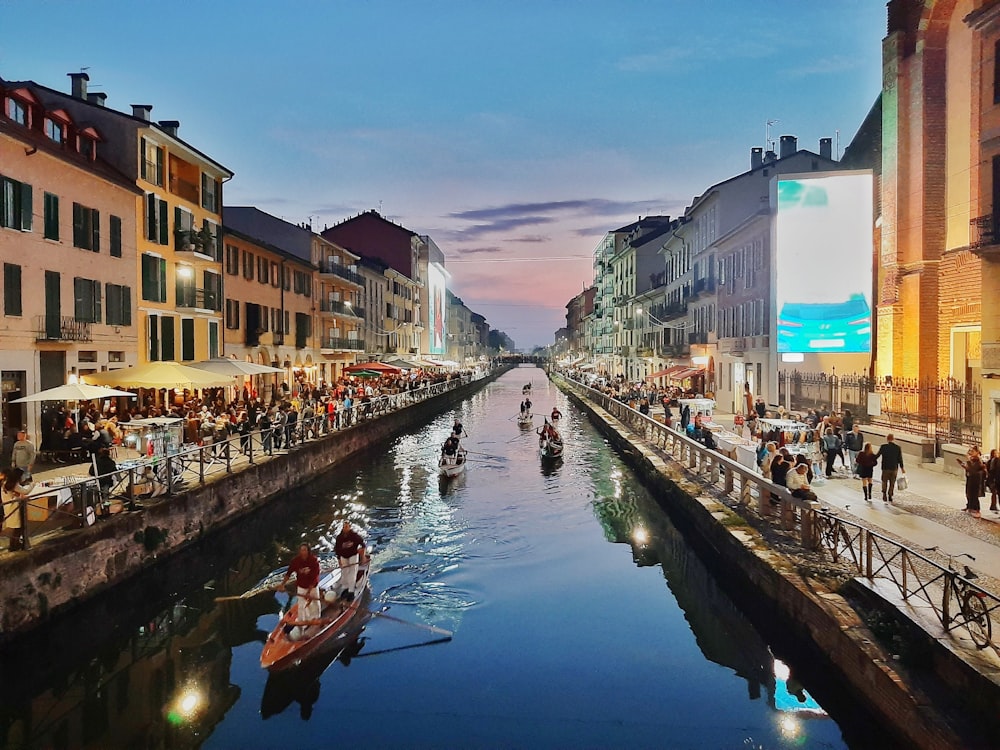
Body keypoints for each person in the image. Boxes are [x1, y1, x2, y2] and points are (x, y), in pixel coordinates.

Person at [282, 543, 322, 622]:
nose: (302, 552)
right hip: (301, 586)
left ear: (308, 551)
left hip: (313, 586)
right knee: (301, 605)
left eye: (304, 550)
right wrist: (282, 584)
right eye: (301, 550)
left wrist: (309, 591)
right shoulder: (295, 561)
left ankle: (316, 618)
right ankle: (303, 622)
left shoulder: (313, 560)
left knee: (315, 602)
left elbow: (315, 577)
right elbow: (288, 573)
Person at [1, 467, 34, 551]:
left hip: (8, 506)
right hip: (14, 507)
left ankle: (14, 544)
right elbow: (26, 491)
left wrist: (16, 496)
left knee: (17, 527)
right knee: (18, 527)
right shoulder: (14, 484)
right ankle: (14, 545)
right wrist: (32, 485)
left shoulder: (5, 483)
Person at [334, 521, 366, 601]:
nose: (346, 528)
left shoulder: (354, 536)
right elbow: (337, 549)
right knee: (344, 572)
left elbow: (363, 545)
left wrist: (363, 557)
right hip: (343, 556)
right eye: (344, 527)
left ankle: (351, 592)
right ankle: (345, 588)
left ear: (349, 527)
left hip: (353, 556)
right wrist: (339, 560)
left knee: (352, 573)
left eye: (347, 527)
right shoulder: (339, 538)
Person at [875, 434, 904, 503]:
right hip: (894, 468)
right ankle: (890, 495)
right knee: (892, 482)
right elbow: (900, 459)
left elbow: (877, 455)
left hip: (885, 467)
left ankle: (884, 493)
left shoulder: (883, 447)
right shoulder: (897, 448)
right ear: (893, 439)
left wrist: (871, 459)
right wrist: (902, 468)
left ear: (887, 439)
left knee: (884, 481)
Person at [958, 447, 986, 518]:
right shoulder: (972, 460)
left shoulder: (978, 460)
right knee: (968, 493)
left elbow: (973, 469)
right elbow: (970, 469)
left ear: (976, 452)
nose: (970, 453)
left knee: (974, 494)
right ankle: (969, 506)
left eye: (972, 451)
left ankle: (975, 509)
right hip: (970, 478)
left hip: (976, 480)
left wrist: (968, 463)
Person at [987, 448, 1000, 513]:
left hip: (994, 479)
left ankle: (993, 505)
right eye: (995, 453)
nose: (996, 454)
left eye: (996, 453)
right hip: (993, 480)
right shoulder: (992, 461)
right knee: (994, 492)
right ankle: (993, 505)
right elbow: (991, 471)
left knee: (994, 493)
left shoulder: (995, 460)